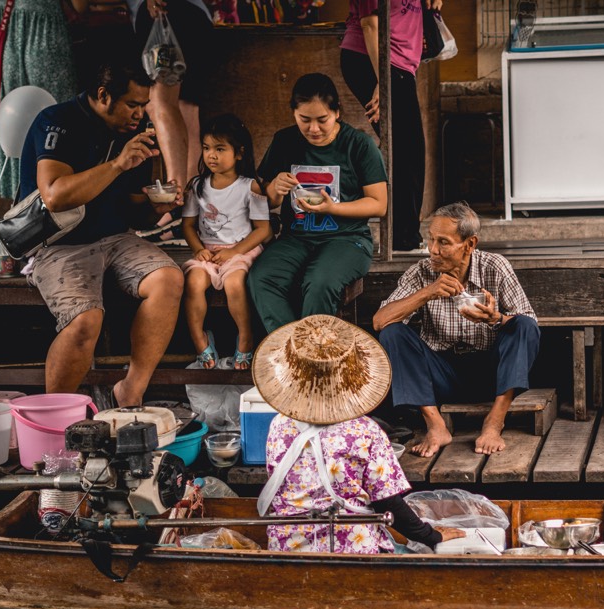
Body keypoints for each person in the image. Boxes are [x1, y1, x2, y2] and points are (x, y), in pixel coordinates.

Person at [19, 61, 184, 406]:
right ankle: (57, 415)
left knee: (168, 279)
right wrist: (118, 164)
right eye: (132, 104)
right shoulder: (57, 121)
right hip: (59, 244)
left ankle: (130, 392)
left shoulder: (134, 129)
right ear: (103, 95)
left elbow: (130, 207)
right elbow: (54, 196)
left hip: (115, 237)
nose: (140, 114)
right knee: (85, 320)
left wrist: (155, 205)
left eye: (144, 105)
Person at [253, 314, 465, 554]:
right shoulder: (365, 431)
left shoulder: (279, 424)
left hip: (287, 544)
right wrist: (432, 536)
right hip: (351, 547)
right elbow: (387, 502)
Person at [373, 202, 540, 457]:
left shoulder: (494, 267)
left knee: (523, 325)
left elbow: (528, 323)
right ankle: (435, 424)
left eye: (443, 242)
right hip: (440, 376)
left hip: (492, 373)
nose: (433, 250)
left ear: (470, 244)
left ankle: (494, 422)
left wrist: (495, 318)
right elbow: (379, 321)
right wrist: (428, 293)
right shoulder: (422, 273)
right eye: (430, 240)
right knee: (392, 332)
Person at [250, 72, 388, 333]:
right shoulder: (284, 141)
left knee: (319, 282)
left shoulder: (358, 144)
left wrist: (332, 208)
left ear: (337, 112)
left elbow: (379, 204)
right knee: (262, 277)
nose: (313, 128)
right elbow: (264, 201)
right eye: (304, 119)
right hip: (296, 238)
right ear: (294, 113)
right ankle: (289, 350)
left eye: (321, 119)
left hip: (347, 239)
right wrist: (275, 189)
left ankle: (312, 355)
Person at [339, 0, 437, 252]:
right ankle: (402, 239)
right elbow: (370, 24)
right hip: (376, 62)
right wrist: (383, 80)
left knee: (407, 150)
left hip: (400, 65)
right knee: (406, 151)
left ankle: (403, 237)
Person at [181, 114, 272, 371]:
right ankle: (198, 339)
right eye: (207, 148)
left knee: (234, 284)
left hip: (242, 249)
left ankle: (245, 338)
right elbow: (187, 225)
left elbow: (262, 230)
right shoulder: (198, 186)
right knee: (194, 282)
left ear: (239, 153)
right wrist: (198, 249)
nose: (211, 155)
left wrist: (234, 252)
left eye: (220, 149)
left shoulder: (249, 186)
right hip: (207, 251)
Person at [128, 0, 215, 230]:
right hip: (194, 15)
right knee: (186, 108)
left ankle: (175, 203)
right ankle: (190, 210)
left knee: (159, 103)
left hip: (166, 12)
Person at [0, 0, 81, 201]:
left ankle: (20, 209)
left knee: (19, 118)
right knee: (57, 118)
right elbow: (80, 6)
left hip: (12, 36)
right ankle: (51, 203)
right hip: (46, 35)